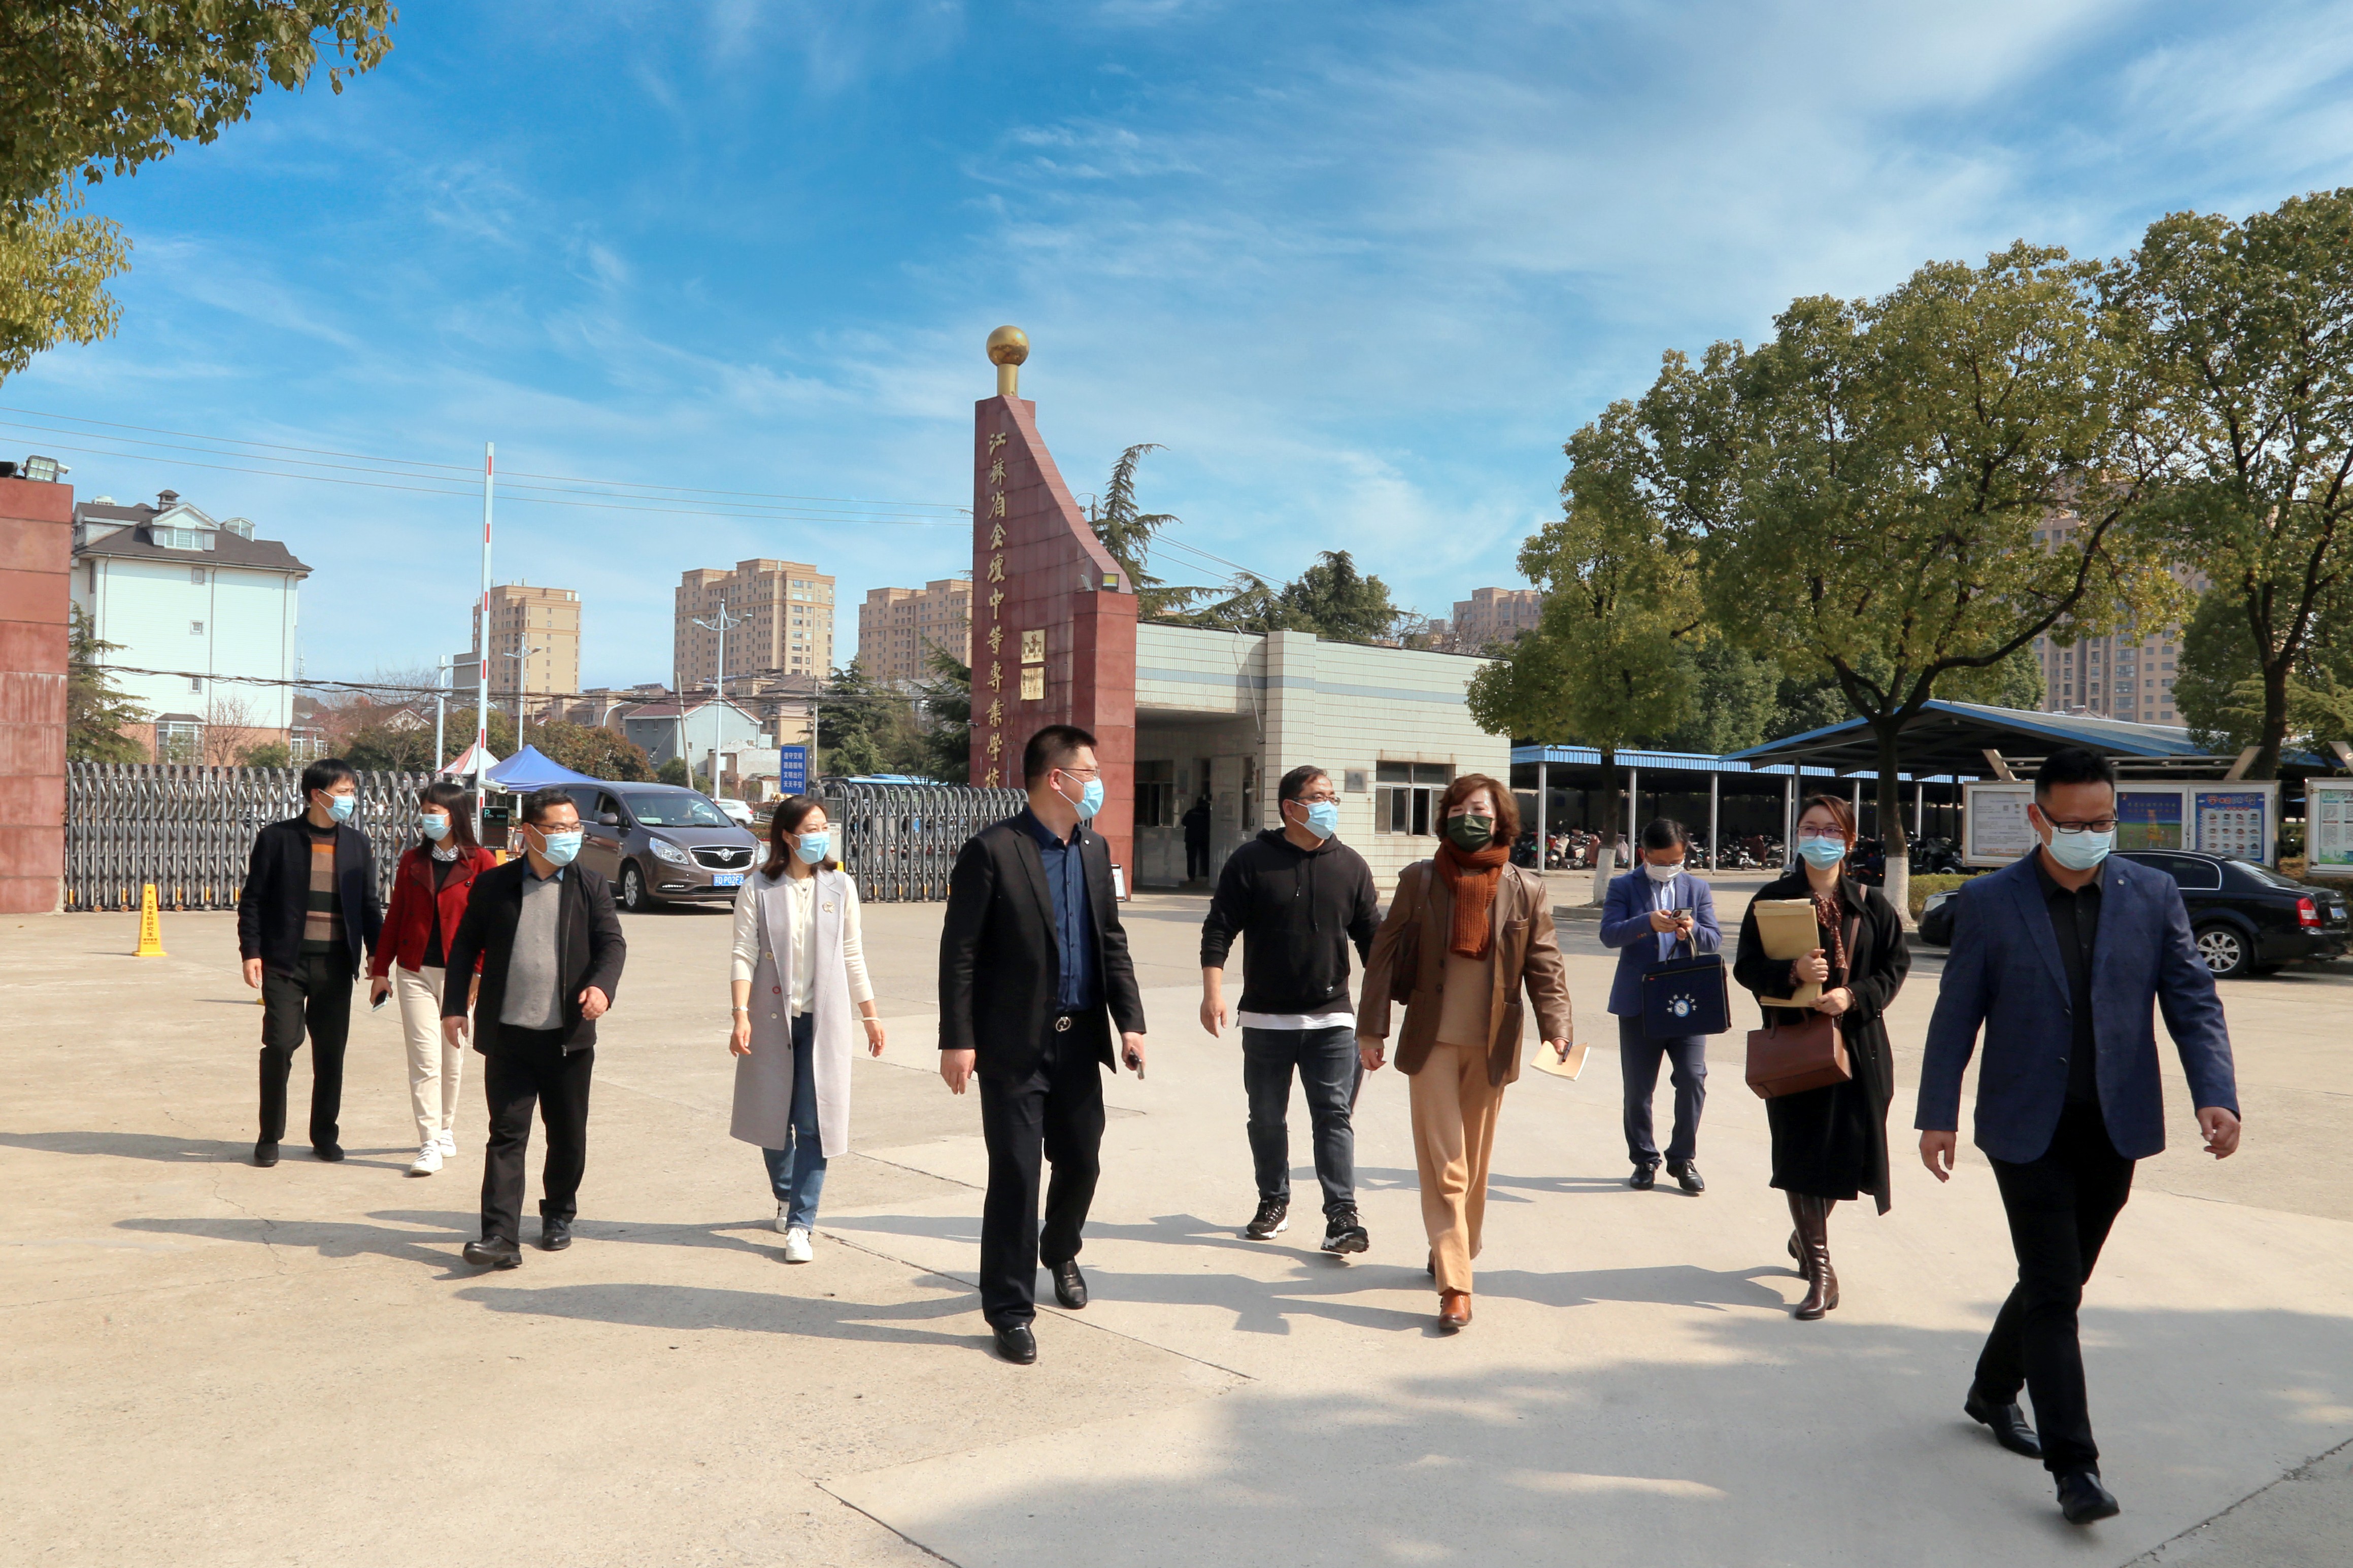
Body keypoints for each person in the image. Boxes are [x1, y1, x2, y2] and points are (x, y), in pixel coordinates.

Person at [1918, 746, 2238, 1526]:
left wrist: (2215, 1094)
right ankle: (2076, 1469)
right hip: (2024, 1125)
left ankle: (1993, 1387)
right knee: (2057, 1289)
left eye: (2104, 820)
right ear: (2038, 817)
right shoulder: (1990, 901)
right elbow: (1956, 1014)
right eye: (2075, 822)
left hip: (2115, 1124)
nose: (2091, 833)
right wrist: (1937, 1111)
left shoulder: (2151, 894)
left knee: (2056, 1278)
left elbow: (2193, 1000)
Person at [937, 724, 1148, 1365]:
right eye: (1090, 772)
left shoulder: (1094, 851)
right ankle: (1008, 1310)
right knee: (1017, 1175)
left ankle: (1060, 1249)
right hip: (1012, 1046)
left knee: (1082, 1161)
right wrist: (958, 1039)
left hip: (1079, 1040)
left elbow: (1111, 942)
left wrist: (1130, 1022)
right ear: (1057, 779)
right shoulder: (992, 851)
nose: (1098, 783)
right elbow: (960, 952)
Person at [1357, 775, 1573, 1331]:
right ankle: (1456, 1287)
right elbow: (1383, 957)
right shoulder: (1421, 879)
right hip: (1430, 1042)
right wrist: (1371, 1030)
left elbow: (1545, 964)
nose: (1466, 817)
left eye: (1477, 809)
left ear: (1501, 819)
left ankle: (1453, 1247)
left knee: (1474, 1166)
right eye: (1456, 809)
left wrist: (1557, 1028)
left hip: (1492, 1044)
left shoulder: (1526, 888)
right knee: (1447, 1166)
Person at [1731, 794, 1910, 1320]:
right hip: (1796, 1045)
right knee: (1802, 1155)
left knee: (1849, 1153)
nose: (1820, 838)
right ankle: (1821, 1271)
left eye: (1832, 831)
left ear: (1849, 841)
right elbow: (1746, 967)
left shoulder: (1871, 904)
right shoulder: (1772, 899)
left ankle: (1805, 1235)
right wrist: (1792, 974)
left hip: (1860, 1048)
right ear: (1797, 835)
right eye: (1810, 828)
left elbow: (1895, 967)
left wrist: (1852, 996)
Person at [1199, 764, 1381, 1253]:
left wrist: (1377, 1019)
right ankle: (1273, 1201)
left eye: (1333, 797)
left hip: (1332, 1017)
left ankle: (1342, 1217)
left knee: (1334, 1115)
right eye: (1318, 797)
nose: (1329, 805)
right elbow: (1219, 927)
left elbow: (1374, 944)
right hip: (1265, 1018)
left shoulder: (1351, 866)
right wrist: (1213, 992)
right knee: (1265, 1116)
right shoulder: (1252, 861)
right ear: (1290, 807)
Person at [443, 788, 626, 1270]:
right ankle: (500, 1236)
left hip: (567, 1038)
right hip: (509, 1035)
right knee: (506, 1135)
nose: (570, 836)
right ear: (530, 833)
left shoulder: (590, 885)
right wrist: (454, 1006)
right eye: (559, 828)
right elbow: (464, 946)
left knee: (567, 1134)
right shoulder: (496, 885)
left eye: (575, 827)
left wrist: (602, 988)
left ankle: (559, 1213)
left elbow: (612, 944)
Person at [728, 796, 886, 1263]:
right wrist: (740, 1013)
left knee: (814, 1123)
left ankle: (801, 1224)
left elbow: (852, 953)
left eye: (823, 827)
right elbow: (744, 952)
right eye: (810, 828)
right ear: (787, 836)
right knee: (772, 1119)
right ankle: (785, 1193)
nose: (820, 835)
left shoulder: (840, 885)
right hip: (771, 1019)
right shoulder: (758, 887)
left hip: (822, 1021)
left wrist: (871, 1015)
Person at [237, 757, 382, 1167]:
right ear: (317, 795)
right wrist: (251, 952)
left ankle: (324, 1135)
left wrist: (378, 958)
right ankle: (269, 1135)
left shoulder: (357, 844)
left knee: (331, 1053)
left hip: (336, 965)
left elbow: (369, 905)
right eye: (343, 792)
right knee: (280, 1044)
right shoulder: (277, 838)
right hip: (285, 963)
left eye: (352, 792)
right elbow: (253, 901)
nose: (350, 799)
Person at [368, 781, 498, 1177]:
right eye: (424, 811)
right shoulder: (412, 860)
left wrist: (479, 971)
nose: (427, 818)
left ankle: (445, 1128)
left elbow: (494, 924)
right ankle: (428, 1142)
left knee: (451, 1056)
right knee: (425, 1059)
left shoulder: (482, 861)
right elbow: (395, 916)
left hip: (460, 974)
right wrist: (380, 971)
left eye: (434, 811)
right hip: (414, 972)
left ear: (454, 815)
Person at [1599, 817, 1722, 1194]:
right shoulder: (1623, 886)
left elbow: (1714, 939)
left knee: (1692, 1078)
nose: (1669, 867)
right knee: (1639, 1088)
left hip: (1687, 1002)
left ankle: (1683, 1158)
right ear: (1644, 854)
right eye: (1661, 861)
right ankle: (1644, 1159)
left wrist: (1692, 930)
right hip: (1640, 1001)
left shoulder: (1697, 888)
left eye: (1676, 861)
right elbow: (1609, 935)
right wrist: (1647, 923)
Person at [1182, 792, 1213, 883]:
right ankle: (1206, 875)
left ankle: (1192, 877)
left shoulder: (1190, 812)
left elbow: (1184, 823)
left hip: (1191, 838)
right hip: (1203, 838)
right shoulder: (1207, 814)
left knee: (1191, 858)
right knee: (1205, 857)